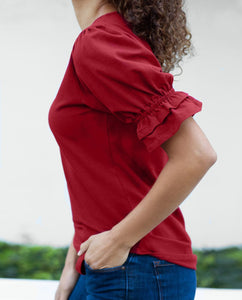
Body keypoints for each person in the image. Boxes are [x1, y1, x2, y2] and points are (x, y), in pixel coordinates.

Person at [48, 0, 217, 299]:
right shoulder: (106, 40)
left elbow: (196, 155)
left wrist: (117, 241)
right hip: (111, 263)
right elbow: (105, 173)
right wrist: (73, 260)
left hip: (135, 267)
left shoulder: (103, 42)